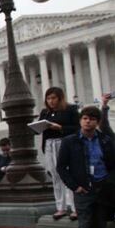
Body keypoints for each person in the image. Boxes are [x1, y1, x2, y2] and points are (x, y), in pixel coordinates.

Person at [57, 105, 115, 228]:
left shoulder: (105, 140)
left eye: (91, 119)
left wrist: (108, 182)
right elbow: (61, 167)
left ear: (97, 122)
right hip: (84, 190)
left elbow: (113, 165)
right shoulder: (70, 141)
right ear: (80, 120)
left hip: (103, 188)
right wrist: (75, 186)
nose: (87, 121)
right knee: (84, 227)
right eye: (84, 118)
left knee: (100, 227)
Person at [39, 87, 80, 220]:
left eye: (53, 98)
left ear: (60, 98)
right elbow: (38, 130)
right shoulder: (45, 113)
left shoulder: (70, 110)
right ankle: (60, 207)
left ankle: (74, 208)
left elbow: (77, 128)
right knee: (55, 176)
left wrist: (61, 128)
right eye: (48, 98)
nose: (51, 101)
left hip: (64, 143)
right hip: (50, 144)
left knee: (67, 174)